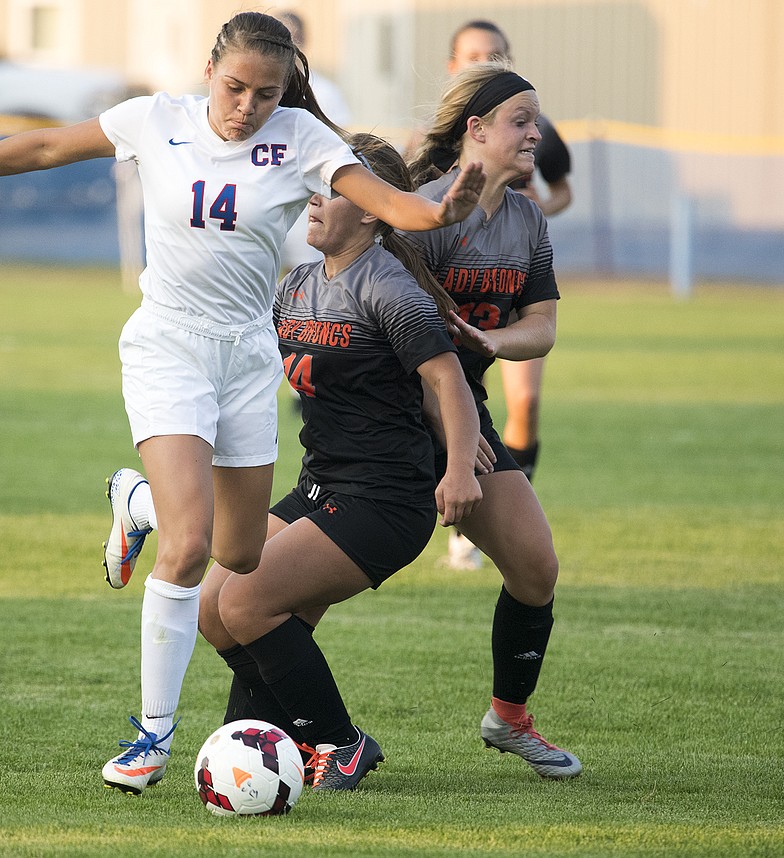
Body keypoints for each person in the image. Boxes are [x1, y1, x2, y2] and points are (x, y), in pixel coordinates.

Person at [0, 12, 485, 795]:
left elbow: (393, 207)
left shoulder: (300, 137)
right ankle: (149, 739)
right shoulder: (153, 120)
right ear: (208, 70)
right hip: (168, 344)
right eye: (235, 88)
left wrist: (442, 210)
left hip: (245, 359)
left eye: (265, 94)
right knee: (192, 548)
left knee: (240, 555)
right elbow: (45, 146)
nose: (247, 107)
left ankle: (140, 506)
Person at [194, 131, 484, 790]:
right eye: (316, 187)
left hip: (384, 501)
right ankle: (273, 741)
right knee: (214, 608)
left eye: (334, 190)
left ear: (374, 209)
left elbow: (448, 385)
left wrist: (461, 466)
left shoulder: (388, 289)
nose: (315, 201)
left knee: (245, 604)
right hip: (320, 488)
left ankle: (339, 742)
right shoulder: (295, 285)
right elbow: (245, 366)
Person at [402, 62, 582, 779]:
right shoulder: (423, 212)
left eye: (535, 120)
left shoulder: (527, 219)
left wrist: (492, 344)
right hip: (384, 418)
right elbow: (394, 348)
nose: (537, 132)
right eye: (521, 120)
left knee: (536, 568)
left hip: (461, 417)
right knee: (301, 584)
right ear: (475, 131)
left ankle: (509, 718)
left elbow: (540, 326)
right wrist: (452, 437)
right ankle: (284, 723)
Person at [443, 19, 574, 567]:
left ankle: (490, 514)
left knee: (525, 401)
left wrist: (533, 215)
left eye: (495, 55)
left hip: (506, 294)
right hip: (426, 349)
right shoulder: (429, 184)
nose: (485, 62)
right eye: (474, 55)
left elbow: (562, 189)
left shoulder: (532, 135)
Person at [276, 9, 353, 272]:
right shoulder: (259, 89)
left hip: (307, 195)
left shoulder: (325, 92)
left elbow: (341, 145)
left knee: (301, 273)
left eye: (293, 38)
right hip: (267, 191)